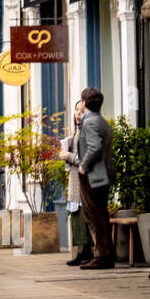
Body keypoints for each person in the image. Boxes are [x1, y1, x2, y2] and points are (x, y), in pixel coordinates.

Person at [74, 87, 115, 269]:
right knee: (101, 215)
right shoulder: (101, 121)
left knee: (94, 216)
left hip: (93, 175)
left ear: (84, 102)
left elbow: (95, 146)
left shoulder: (90, 122)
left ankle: (101, 256)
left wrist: (83, 166)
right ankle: (107, 254)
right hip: (102, 175)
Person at [58, 99, 92, 266]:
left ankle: (87, 252)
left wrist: (68, 156)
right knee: (77, 218)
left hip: (82, 182)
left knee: (82, 218)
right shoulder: (78, 132)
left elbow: (86, 159)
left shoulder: (86, 132)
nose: (78, 114)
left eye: (82, 110)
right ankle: (81, 252)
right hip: (75, 181)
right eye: (76, 110)